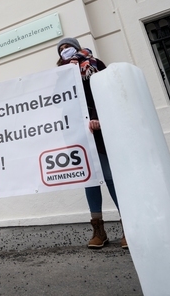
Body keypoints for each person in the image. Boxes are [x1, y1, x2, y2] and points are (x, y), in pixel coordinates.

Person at [56, 37, 127, 249]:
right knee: (90, 181)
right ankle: (99, 230)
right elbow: (60, 102)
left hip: (100, 130)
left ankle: (130, 225)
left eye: (67, 47)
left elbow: (107, 92)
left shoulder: (95, 65)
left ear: (77, 48)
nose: (64, 51)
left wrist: (101, 118)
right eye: (61, 49)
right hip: (79, 134)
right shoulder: (61, 75)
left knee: (109, 177)